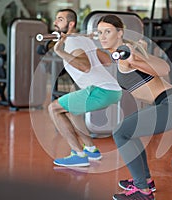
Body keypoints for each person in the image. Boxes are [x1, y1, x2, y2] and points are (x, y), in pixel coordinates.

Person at [97, 14, 172, 200]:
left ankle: (142, 191)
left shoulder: (128, 53)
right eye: (99, 32)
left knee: (121, 132)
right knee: (129, 131)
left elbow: (164, 69)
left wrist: (135, 61)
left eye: (107, 31)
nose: (102, 36)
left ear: (120, 33)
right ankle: (145, 181)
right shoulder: (126, 52)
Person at [48, 9, 122, 167]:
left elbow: (85, 66)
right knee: (73, 111)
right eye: (56, 19)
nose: (55, 23)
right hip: (112, 89)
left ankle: (78, 154)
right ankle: (90, 149)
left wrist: (61, 52)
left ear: (71, 24)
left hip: (101, 90)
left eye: (60, 19)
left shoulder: (72, 42)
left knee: (53, 108)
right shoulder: (81, 40)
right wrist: (91, 45)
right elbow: (107, 61)